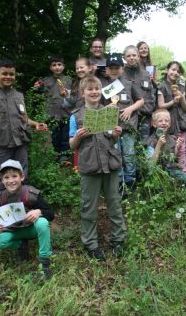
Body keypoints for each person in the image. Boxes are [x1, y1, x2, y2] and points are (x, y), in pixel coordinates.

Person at [69, 75, 127, 260]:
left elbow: (113, 138)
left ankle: (118, 240)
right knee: (89, 207)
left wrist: (117, 134)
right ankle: (91, 244)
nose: (94, 92)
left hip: (110, 165)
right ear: (83, 92)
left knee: (115, 204)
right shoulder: (76, 116)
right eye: (90, 89)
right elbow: (72, 146)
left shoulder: (109, 111)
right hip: (89, 167)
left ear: (101, 90)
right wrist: (78, 136)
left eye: (97, 88)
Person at [0, 59, 47, 192]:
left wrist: (35, 124)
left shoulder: (18, 95)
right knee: (2, 180)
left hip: (20, 143)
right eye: (4, 73)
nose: (8, 77)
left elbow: (24, 118)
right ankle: (1, 212)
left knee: (22, 177)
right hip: (0, 145)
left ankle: (21, 209)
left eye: (11, 74)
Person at [0, 159, 54, 279]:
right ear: (2, 180)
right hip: (13, 232)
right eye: (6, 177)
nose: (11, 180)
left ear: (22, 177)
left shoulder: (31, 193)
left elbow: (50, 214)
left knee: (43, 223)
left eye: (14, 176)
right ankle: (20, 245)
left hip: (31, 229)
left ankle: (45, 263)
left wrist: (39, 211)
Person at [100, 53, 144, 189]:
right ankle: (119, 182)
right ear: (106, 70)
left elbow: (141, 100)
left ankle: (130, 182)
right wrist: (107, 107)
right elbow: (99, 106)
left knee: (129, 154)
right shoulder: (103, 87)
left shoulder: (129, 84)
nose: (114, 70)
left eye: (117, 68)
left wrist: (130, 109)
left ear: (122, 68)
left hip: (128, 126)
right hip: (112, 128)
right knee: (115, 154)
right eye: (111, 68)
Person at [33, 55, 73, 161]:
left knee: (65, 135)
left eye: (59, 65)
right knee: (55, 136)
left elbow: (73, 95)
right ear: (50, 68)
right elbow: (39, 92)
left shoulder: (69, 80)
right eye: (54, 65)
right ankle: (56, 154)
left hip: (66, 113)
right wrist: (38, 87)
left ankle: (65, 156)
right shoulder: (46, 81)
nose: (57, 67)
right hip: (52, 114)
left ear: (63, 66)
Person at [144, 109, 186, 183]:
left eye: (166, 121)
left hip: (172, 169)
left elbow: (172, 158)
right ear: (154, 124)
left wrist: (177, 147)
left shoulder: (172, 138)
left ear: (169, 124)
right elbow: (151, 164)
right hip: (158, 172)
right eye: (160, 121)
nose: (164, 123)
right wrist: (159, 144)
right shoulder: (151, 140)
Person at [157, 61, 186, 172]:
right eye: (173, 69)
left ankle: (183, 171)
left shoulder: (181, 87)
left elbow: (185, 108)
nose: (175, 73)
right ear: (167, 70)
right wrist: (173, 101)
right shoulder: (161, 86)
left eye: (178, 71)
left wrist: (182, 97)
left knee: (182, 149)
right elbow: (160, 105)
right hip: (167, 122)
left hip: (180, 123)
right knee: (169, 148)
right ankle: (169, 173)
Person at [123, 45, 156, 143]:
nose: (131, 58)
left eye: (134, 55)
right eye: (128, 56)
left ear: (138, 57)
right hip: (127, 117)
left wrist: (151, 114)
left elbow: (151, 95)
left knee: (143, 145)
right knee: (129, 148)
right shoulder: (121, 74)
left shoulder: (145, 74)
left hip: (144, 116)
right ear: (124, 58)